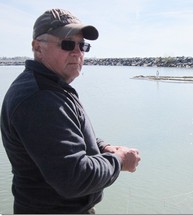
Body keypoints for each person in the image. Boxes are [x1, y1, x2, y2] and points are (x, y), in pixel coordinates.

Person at [0, 9, 140, 214]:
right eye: (67, 44)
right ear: (38, 47)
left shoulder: (50, 87)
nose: (77, 52)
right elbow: (75, 178)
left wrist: (103, 147)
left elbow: (67, 134)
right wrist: (119, 160)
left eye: (82, 45)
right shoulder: (41, 98)